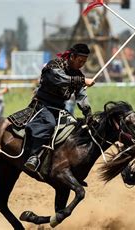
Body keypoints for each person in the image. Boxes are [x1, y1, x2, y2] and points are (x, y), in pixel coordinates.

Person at [24, 43, 95, 172]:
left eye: (84, 62)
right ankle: (33, 156)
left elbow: (81, 96)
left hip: (60, 109)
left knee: (73, 128)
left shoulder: (77, 74)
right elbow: (59, 79)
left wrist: (88, 113)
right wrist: (82, 80)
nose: (81, 64)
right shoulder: (54, 65)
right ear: (72, 57)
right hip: (42, 105)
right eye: (80, 61)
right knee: (49, 124)